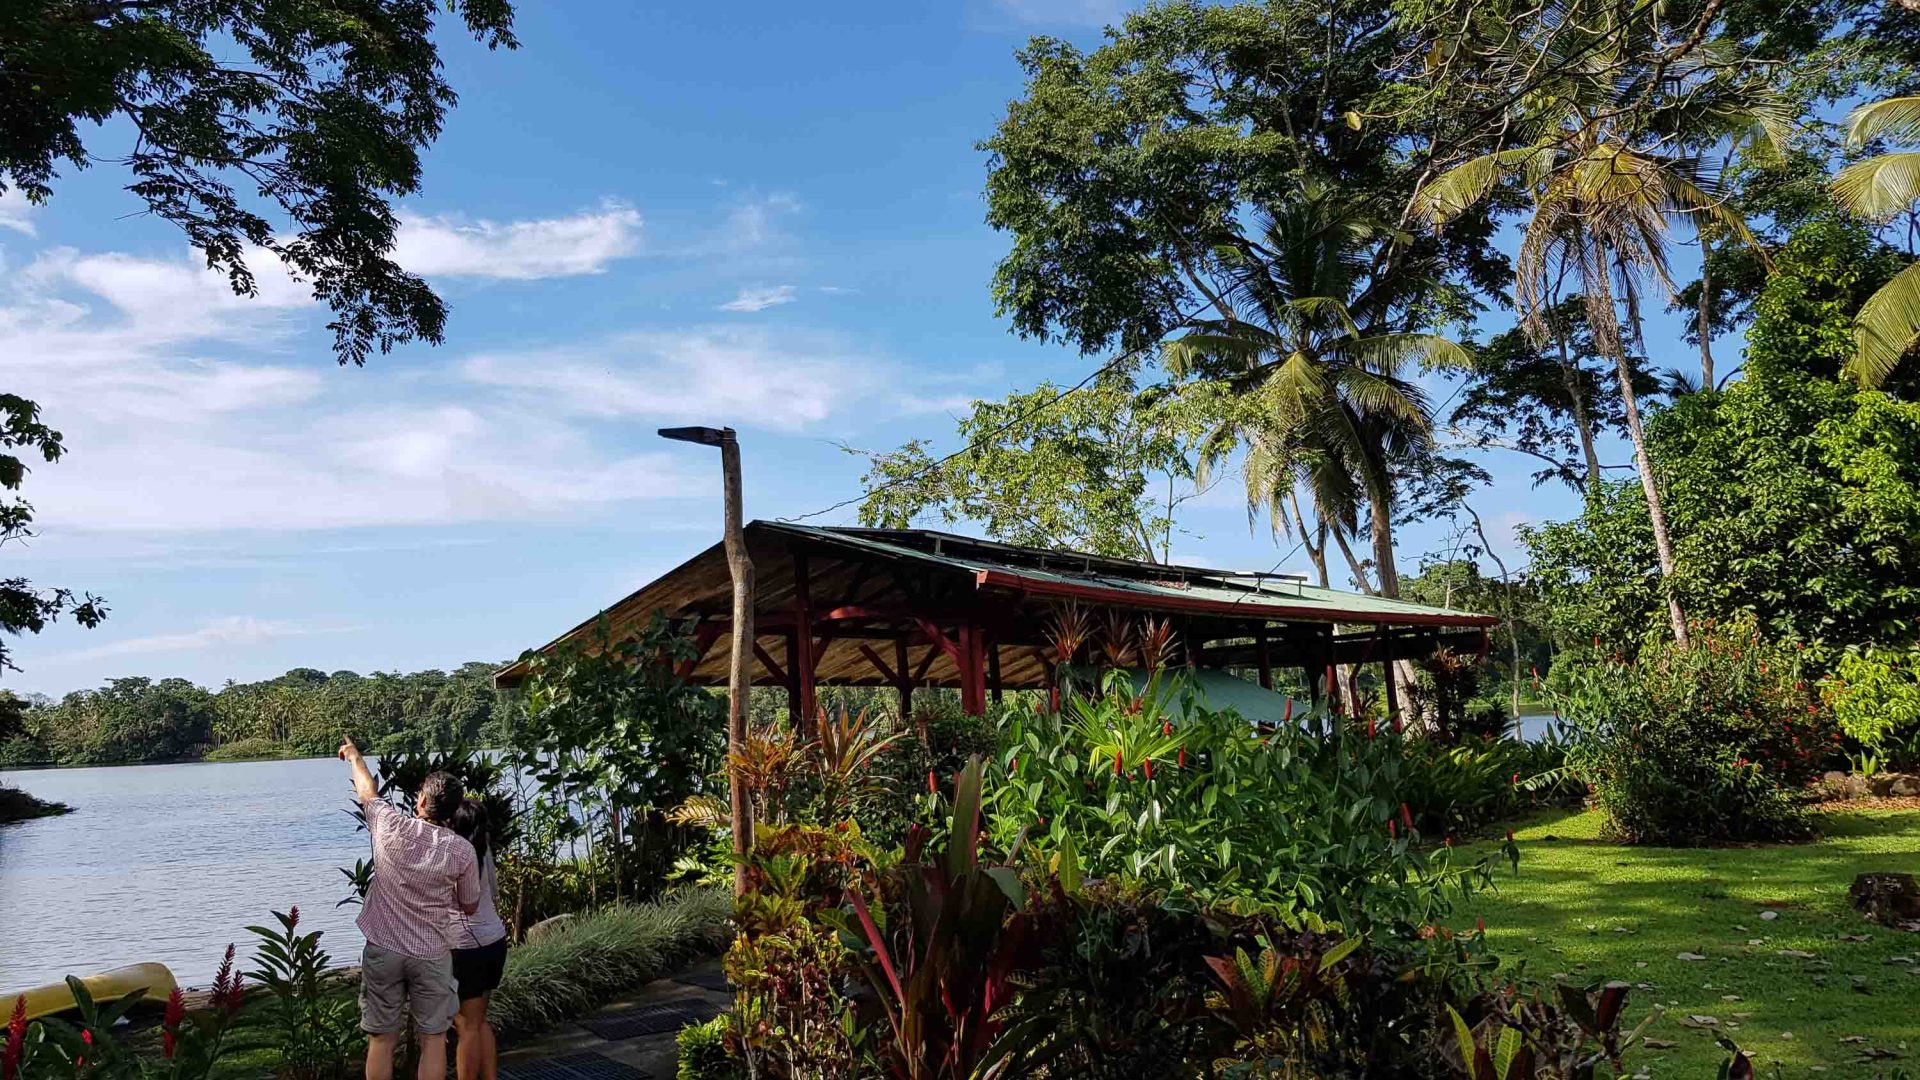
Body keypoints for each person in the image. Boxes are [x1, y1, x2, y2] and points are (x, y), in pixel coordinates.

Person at [340, 739, 479, 1080]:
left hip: (384, 947)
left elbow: (367, 791)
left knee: (381, 1039)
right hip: (431, 952)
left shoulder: (389, 825)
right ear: (453, 810)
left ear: (420, 801)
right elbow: (470, 904)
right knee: (434, 1039)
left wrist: (355, 758)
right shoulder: (462, 851)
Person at [446, 801, 507, 1080]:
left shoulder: (454, 854)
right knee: (479, 1020)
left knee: (465, 1024)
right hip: (494, 940)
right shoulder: (483, 849)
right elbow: (492, 893)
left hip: (465, 947)